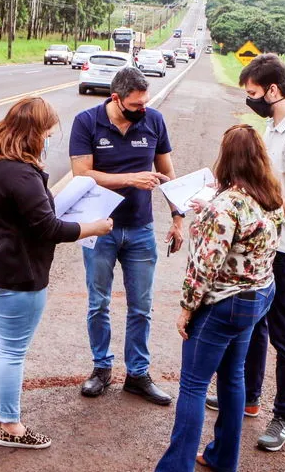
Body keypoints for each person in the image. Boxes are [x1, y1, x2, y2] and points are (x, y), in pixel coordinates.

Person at [0, 97, 113, 450]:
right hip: (16, 271)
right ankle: (11, 427)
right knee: (13, 351)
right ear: (33, 132)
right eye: (46, 132)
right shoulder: (22, 173)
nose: (47, 138)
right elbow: (48, 228)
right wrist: (94, 227)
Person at [206, 53, 285, 452]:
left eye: (253, 93)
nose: (250, 100)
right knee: (254, 326)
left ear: (273, 90)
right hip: (262, 242)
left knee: (282, 332)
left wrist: (242, 204)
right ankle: (250, 397)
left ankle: (284, 415)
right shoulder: (271, 128)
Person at [156, 124, 284, 472]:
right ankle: (224, 459)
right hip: (258, 295)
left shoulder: (223, 207)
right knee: (232, 376)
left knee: (193, 385)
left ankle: (175, 467)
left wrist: (186, 309)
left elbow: (204, 266)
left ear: (226, 158)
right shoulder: (270, 196)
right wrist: (210, 209)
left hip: (224, 302)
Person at [69, 66, 185, 405]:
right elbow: (82, 174)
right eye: (135, 104)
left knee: (141, 307)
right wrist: (131, 179)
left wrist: (178, 218)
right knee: (98, 303)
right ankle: (101, 368)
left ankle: (137, 374)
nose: (142, 109)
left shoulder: (154, 121)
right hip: (98, 227)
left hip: (140, 229)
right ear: (116, 99)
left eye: (145, 102)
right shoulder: (87, 122)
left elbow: (167, 173)